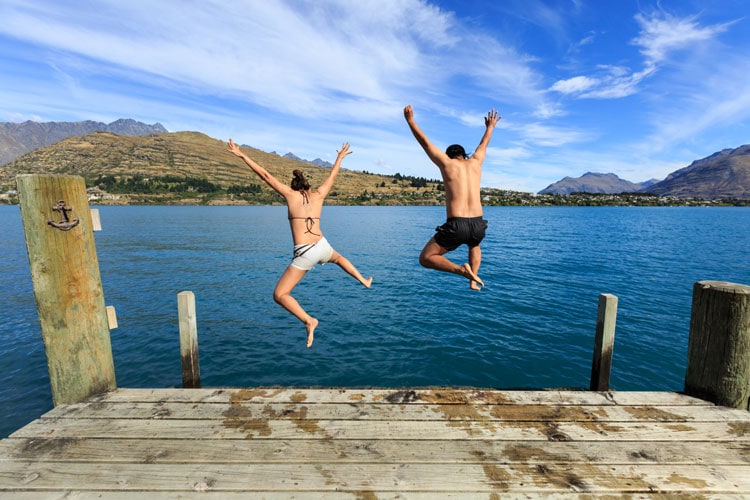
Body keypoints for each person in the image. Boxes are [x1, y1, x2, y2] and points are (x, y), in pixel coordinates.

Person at [227, 139, 372, 348]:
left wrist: (241, 155)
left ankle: (308, 320)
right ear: (309, 186)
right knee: (338, 258)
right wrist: (339, 157)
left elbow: (265, 175)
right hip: (322, 245)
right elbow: (332, 177)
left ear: (293, 187)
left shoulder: (290, 195)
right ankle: (363, 280)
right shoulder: (319, 194)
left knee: (280, 294)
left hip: (305, 252)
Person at [403, 105, 500, 290]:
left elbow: (425, 143)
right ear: (464, 155)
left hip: (457, 224)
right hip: (478, 224)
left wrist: (411, 121)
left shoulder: (446, 164)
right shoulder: (476, 162)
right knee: (474, 244)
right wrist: (490, 127)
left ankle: (462, 271)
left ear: (449, 155)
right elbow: (484, 144)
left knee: (426, 258)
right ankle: (474, 279)